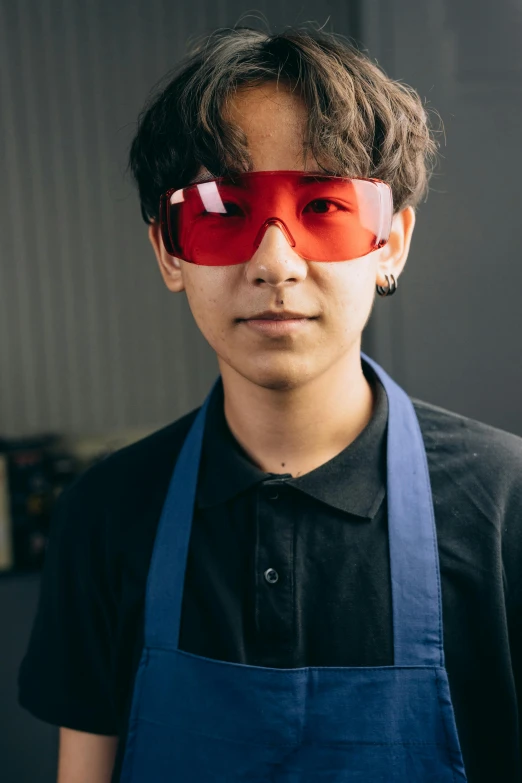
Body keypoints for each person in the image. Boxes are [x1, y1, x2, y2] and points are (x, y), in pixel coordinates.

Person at [17, 24, 522, 783]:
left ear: (390, 245)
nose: (274, 263)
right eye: (223, 211)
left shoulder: (506, 502)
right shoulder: (106, 514)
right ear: (167, 250)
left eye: (323, 207)